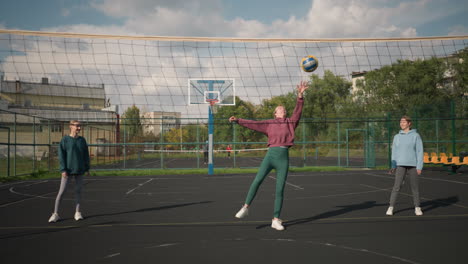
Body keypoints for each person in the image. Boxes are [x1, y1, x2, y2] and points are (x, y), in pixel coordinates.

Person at [229, 81, 309, 231]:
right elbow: (253, 123)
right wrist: (238, 121)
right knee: (257, 180)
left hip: (283, 157)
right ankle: (246, 207)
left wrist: (300, 95)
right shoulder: (269, 123)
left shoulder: (291, 123)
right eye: (279, 109)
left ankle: (276, 219)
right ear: (275, 113)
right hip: (270, 156)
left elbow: (298, 111)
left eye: (283, 108)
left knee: (280, 189)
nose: (282, 109)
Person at [48, 120, 90, 222]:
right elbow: (61, 156)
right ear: (71, 126)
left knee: (78, 191)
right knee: (62, 192)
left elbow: (86, 155)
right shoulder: (65, 140)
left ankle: (77, 212)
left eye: (80, 126)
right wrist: (63, 169)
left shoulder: (82, 140)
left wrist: (87, 168)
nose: (79, 128)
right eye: (77, 126)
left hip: (79, 170)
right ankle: (55, 214)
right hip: (67, 170)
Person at [386, 115, 424, 216]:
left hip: (413, 165)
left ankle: (417, 207)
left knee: (414, 187)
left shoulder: (416, 135)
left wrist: (419, 166)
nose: (401, 123)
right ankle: (391, 207)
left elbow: (420, 151)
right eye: (400, 122)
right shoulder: (397, 137)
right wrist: (393, 165)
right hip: (400, 165)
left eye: (403, 122)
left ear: (409, 123)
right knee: (396, 186)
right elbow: (394, 152)